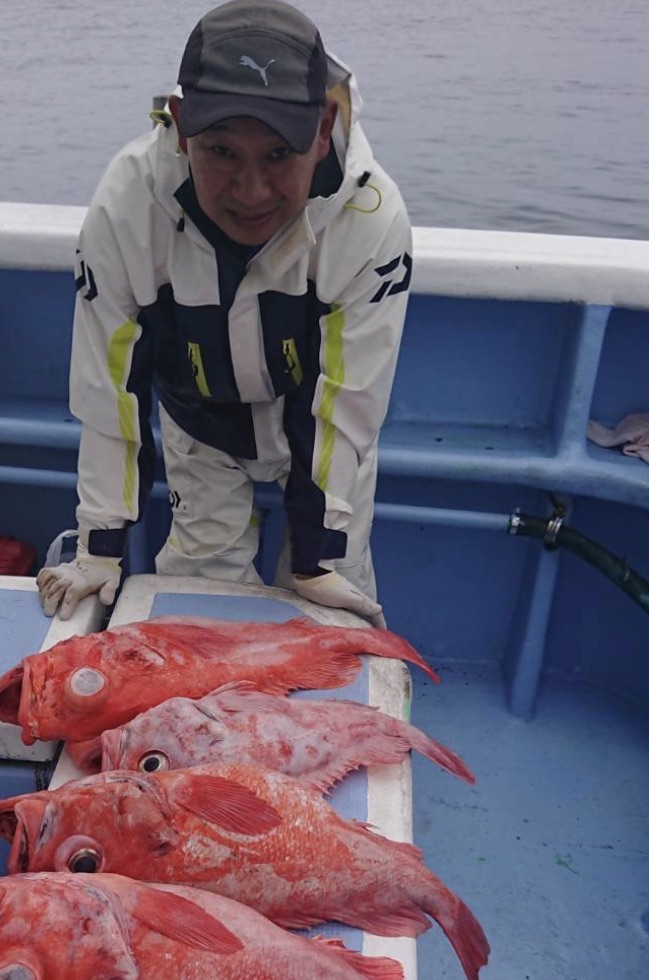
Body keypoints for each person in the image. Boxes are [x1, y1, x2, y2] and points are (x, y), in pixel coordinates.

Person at [38, 0, 412, 627]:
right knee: (198, 607)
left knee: (329, 606)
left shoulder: (369, 218)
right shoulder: (128, 202)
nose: (251, 191)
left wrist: (320, 562)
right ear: (181, 127)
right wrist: (100, 545)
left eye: (277, 155)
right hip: (199, 422)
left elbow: (347, 406)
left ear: (323, 129)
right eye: (221, 152)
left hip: (321, 428)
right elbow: (109, 385)